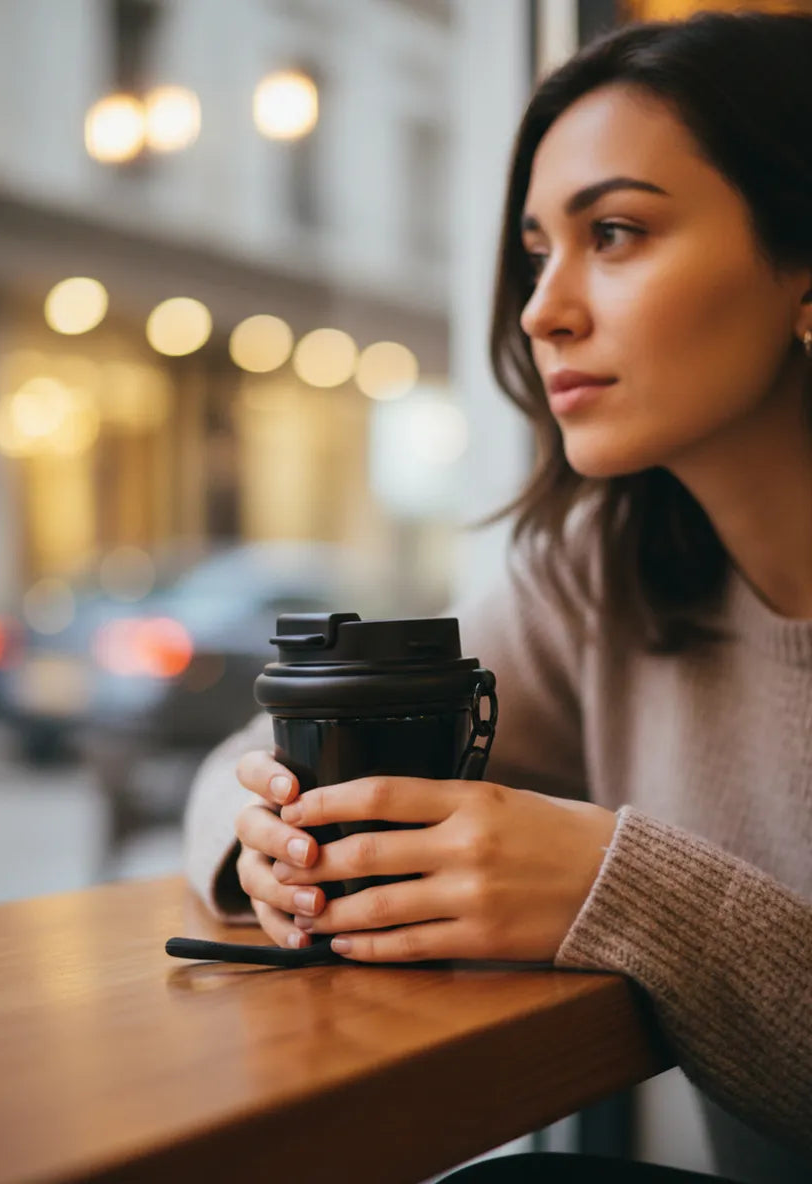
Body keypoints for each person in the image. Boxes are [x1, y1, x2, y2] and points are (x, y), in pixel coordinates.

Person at [182, 11, 812, 1182]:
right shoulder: (605, 575)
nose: (540, 310)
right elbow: (236, 765)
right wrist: (265, 837)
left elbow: (618, 888)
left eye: (615, 233)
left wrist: (623, 890)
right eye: (535, 253)